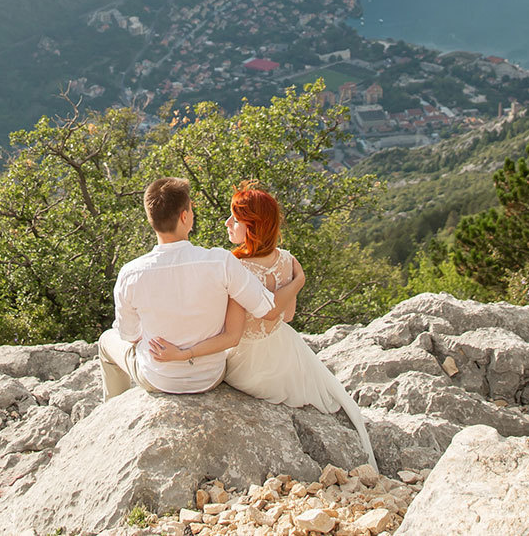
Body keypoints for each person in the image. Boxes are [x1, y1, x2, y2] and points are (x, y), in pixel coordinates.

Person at [144, 182, 375, 467]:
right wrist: (298, 282)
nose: (227, 223)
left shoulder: (235, 267)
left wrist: (185, 353)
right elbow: (286, 316)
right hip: (284, 352)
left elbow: (233, 334)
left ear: (251, 227)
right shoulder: (288, 261)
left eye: (235, 219)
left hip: (247, 365)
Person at [99, 177, 303, 397]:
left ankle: (111, 405)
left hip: (159, 377)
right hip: (210, 376)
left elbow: (129, 334)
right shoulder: (221, 262)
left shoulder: (130, 273)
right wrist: (298, 280)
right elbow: (268, 308)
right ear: (185, 217)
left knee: (106, 341)